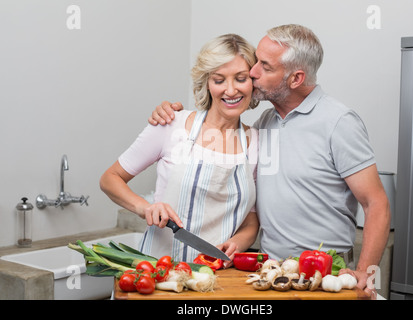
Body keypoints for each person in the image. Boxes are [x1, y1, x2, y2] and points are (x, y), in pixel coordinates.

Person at [148, 24, 391, 298]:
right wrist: (173, 116)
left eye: (265, 66)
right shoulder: (265, 123)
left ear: (296, 78)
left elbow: (377, 203)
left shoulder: (338, 122)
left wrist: (365, 274)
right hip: (272, 270)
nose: (252, 72)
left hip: (326, 272)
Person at [100, 34, 260, 263]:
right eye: (219, 80)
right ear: (207, 83)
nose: (231, 90)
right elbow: (109, 178)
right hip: (157, 271)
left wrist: (236, 244)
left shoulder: (255, 143)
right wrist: (145, 208)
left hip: (214, 276)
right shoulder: (171, 124)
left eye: (241, 78)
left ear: (253, 82)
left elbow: (250, 222)